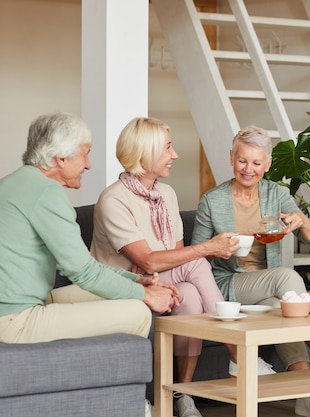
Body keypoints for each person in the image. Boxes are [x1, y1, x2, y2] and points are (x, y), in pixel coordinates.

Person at [89, 117, 276, 417]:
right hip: (123, 286)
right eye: (167, 148)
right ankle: (239, 355)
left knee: (189, 292)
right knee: (198, 266)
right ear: (144, 154)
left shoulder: (167, 195)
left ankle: (182, 393)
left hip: (158, 278)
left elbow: (177, 256)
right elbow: (147, 261)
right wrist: (207, 248)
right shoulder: (114, 200)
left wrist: (197, 255)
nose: (175, 155)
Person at [0, 112, 179, 417]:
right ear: (60, 159)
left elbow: (76, 265)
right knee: (138, 310)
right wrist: (146, 296)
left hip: (30, 302)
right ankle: (140, 406)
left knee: (129, 294)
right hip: (15, 319)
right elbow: (82, 272)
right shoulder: (46, 193)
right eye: (84, 154)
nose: (88, 165)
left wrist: (135, 281)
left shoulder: (15, 183)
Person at [191, 126, 310, 417]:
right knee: (286, 277)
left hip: (267, 288)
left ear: (267, 164)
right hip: (230, 282)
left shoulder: (276, 193)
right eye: (242, 161)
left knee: (284, 310)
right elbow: (198, 255)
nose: (249, 169)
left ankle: (306, 395)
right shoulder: (213, 199)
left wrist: (300, 219)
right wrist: (218, 248)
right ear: (232, 158)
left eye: (257, 163)